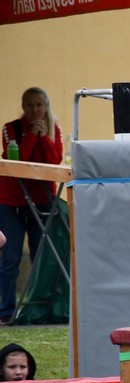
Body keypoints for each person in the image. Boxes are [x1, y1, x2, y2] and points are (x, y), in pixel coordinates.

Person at [0, 87, 63, 324]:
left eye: (39, 105)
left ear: (46, 106)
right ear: (23, 107)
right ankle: (6, 311)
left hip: (42, 200)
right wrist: (29, 138)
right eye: (29, 105)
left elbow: (54, 161)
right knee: (10, 258)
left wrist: (44, 138)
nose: (35, 110)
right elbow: (16, 162)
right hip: (11, 201)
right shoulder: (10, 129)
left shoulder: (54, 128)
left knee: (41, 258)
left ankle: (37, 311)